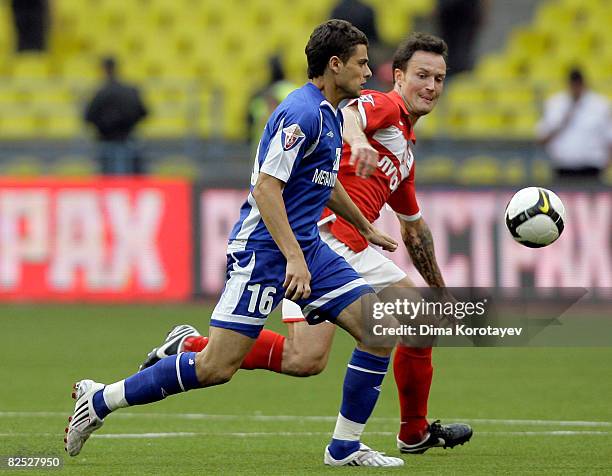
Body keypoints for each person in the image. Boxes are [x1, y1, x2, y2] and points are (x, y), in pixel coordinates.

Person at [66, 20, 406, 467]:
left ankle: (344, 448)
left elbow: (323, 183)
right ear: (335, 64)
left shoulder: (329, 113)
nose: (368, 72)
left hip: (308, 249)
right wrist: (292, 258)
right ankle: (101, 398)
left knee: (381, 330)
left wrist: (363, 226)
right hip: (265, 252)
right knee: (215, 368)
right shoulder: (300, 113)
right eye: (361, 64)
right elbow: (267, 190)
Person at [141, 33, 472, 455]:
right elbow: (353, 110)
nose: (431, 86)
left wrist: (441, 289)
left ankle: (413, 432)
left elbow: (415, 229)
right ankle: (194, 348)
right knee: (308, 359)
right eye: (422, 75)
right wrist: (354, 141)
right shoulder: (384, 106)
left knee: (398, 327)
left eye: (439, 79)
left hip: (355, 246)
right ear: (399, 77)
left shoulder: (405, 150)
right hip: (323, 240)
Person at [536, 68, 612, 183]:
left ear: (584, 84)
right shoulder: (555, 103)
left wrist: (608, 160)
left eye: (578, 85)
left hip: (592, 166)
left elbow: (608, 136)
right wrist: (562, 122)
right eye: (573, 84)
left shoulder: (600, 105)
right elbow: (542, 138)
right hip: (563, 166)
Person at [84, 57, 148, 175]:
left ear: (103, 69)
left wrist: (104, 126)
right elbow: (144, 113)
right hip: (128, 139)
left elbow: (88, 116)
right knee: (127, 179)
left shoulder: (101, 92)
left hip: (106, 141)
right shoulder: (130, 90)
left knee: (109, 181)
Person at [435, 0, 487, 77]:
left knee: (461, 49)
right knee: (453, 47)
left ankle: (460, 76)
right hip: (453, 7)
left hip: (465, 7)